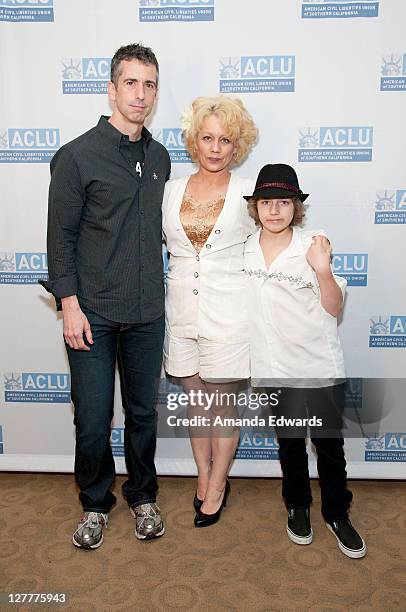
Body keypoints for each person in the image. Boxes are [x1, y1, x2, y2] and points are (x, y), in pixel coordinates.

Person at [40, 44, 171, 548]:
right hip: (91, 313)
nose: (140, 94)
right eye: (131, 83)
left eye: (150, 84)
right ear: (112, 88)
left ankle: (143, 497)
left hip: (146, 314)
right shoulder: (76, 156)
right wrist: (68, 306)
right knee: (93, 419)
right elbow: (60, 240)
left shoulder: (159, 157)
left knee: (142, 415)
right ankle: (95, 503)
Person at [244, 164, 366, 558]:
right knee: (290, 446)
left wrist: (323, 269)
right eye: (267, 202)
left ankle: (336, 513)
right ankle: (297, 506)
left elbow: (333, 307)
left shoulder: (314, 244)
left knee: (329, 447)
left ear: (296, 207)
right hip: (273, 368)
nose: (274, 210)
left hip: (317, 367)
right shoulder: (244, 248)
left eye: (283, 202)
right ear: (255, 207)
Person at [162, 96, 257, 527]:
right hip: (181, 312)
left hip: (229, 314)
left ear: (236, 146)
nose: (215, 148)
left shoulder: (248, 192)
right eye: (207, 138)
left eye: (225, 140)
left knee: (221, 404)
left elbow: (272, 241)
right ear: (194, 141)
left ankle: (218, 484)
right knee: (197, 402)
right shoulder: (170, 191)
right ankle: (203, 475)